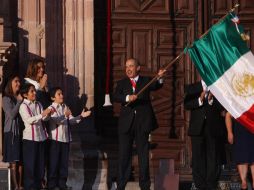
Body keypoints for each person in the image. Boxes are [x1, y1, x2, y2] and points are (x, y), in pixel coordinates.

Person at [114, 58, 166, 190]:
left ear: (138, 68)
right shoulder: (122, 83)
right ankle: (121, 186)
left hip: (142, 123)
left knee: (143, 156)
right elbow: (116, 96)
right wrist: (127, 97)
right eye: (126, 67)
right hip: (126, 124)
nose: (128, 69)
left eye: (131, 66)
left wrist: (160, 77)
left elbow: (157, 85)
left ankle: (144, 186)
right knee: (124, 156)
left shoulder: (146, 81)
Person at [47, 87, 91, 190]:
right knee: (54, 163)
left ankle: (62, 184)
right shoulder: (51, 108)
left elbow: (71, 120)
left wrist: (81, 116)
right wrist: (65, 115)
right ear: (53, 97)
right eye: (59, 94)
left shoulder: (65, 106)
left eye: (62, 93)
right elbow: (57, 120)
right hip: (55, 140)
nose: (62, 96)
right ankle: (52, 185)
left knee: (64, 163)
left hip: (65, 139)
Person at [184, 81, 225, 190]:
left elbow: (223, 106)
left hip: (213, 128)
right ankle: (200, 185)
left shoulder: (218, 85)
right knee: (198, 157)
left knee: (213, 156)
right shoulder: (193, 88)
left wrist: (211, 101)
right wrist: (199, 100)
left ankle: (211, 184)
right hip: (197, 128)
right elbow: (186, 104)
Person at [19, 83, 52, 190]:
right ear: (25, 94)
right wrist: (42, 114)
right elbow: (29, 120)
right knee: (30, 167)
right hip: (30, 140)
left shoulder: (38, 104)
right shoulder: (23, 106)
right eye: (32, 91)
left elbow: (43, 119)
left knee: (40, 166)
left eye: (34, 91)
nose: (34, 93)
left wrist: (48, 115)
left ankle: (39, 187)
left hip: (41, 138)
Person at [3, 75, 23, 190]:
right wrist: (19, 102)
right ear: (10, 83)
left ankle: (20, 185)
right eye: (16, 81)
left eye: (19, 81)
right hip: (11, 132)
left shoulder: (19, 98)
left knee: (20, 161)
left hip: (20, 133)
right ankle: (15, 186)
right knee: (13, 161)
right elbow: (11, 115)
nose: (18, 84)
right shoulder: (6, 99)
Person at [225, 112, 254, 190]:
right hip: (240, 131)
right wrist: (229, 132)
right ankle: (243, 183)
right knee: (242, 158)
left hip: (252, 129)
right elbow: (228, 115)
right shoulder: (237, 100)